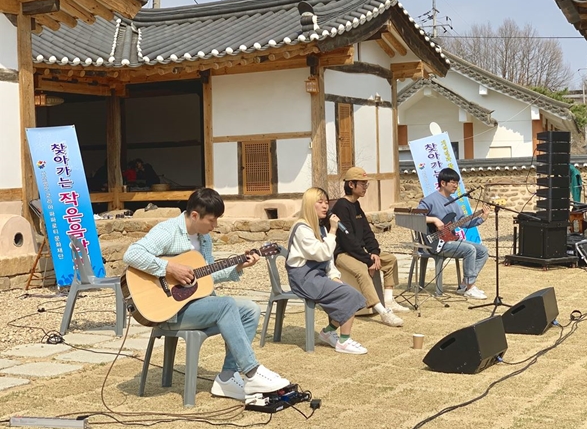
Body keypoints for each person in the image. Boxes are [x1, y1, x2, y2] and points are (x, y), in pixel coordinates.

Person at [123, 188, 290, 401]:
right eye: (211, 220)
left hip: (194, 305)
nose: (215, 226)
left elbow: (206, 275)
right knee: (226, 304)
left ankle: (228, 377)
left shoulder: (204, 239)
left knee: (250, 309)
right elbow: (132, 254)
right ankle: (251, 371)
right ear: (195, 215)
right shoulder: (167, 231)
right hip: (167, 312)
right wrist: (170, 268)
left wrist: (238, 267)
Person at [286, 187, 368, 355]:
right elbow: (321, 252)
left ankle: (328, 331)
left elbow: (328, 258)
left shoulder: (319, 227)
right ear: (309, 205)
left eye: (326, 202)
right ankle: (344, 341)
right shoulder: (302, 228)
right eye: (320, 202)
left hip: (318, 276)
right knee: (349, 295)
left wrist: (334, 275)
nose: (325, 206)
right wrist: (333, 230)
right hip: (304, 279)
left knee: (350, 292)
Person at [331, 167, 409, 327]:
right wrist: (368, 260)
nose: (366, 187)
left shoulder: (356, 205)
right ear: (351, 184)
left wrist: (374, 253)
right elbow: (347, 240)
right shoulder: (341, 206)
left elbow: (367, 233)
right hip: (343, 253)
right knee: (362, 271)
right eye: (363, 183)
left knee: (390, 260)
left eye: (367, 184)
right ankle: (383, 312)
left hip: (360, 252)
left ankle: (388, 301)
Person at [417, 168, 490, 300]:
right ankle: (470, 287)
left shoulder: (455, 202)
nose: (456, 186)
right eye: (453, 182)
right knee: (470, 250)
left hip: (450, 240)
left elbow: (464, 223)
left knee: (483, 251)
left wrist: (482, 218)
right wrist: (434, 219)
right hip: (434, 243)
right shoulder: (429, 200)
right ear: (443, 183)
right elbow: (416, 218)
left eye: (457, 183)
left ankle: (464, 285)